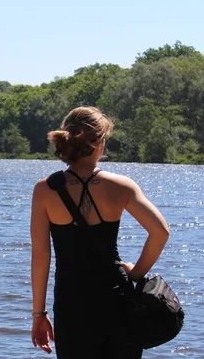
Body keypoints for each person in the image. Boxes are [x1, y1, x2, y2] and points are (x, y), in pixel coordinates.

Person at [30, 106, 170, 358]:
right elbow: (160, 232)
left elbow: (41, 257)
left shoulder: (45, 190)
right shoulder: (121, 186)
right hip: (118, 300)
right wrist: (136, 273)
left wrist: (39, 314)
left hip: (72, 304)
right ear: (99, 142)